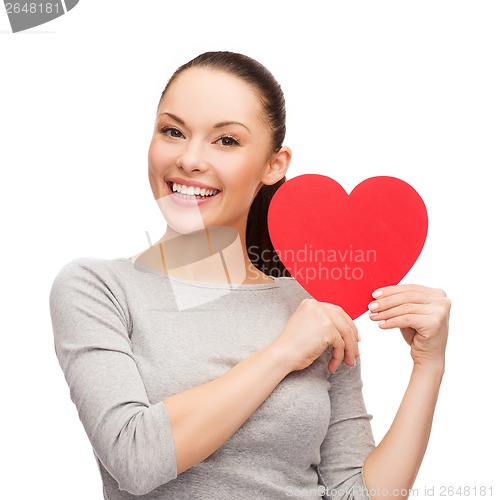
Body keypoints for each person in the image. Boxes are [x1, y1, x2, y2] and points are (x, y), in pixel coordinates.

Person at [49, 51, 450, 500]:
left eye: (226, 141)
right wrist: (282, 353)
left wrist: (428, 366)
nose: (190, 159)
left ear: (274, 165)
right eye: (173, 131)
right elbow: (135, 458)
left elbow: (356, 494)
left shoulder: (314, 305)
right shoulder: (97, 288)